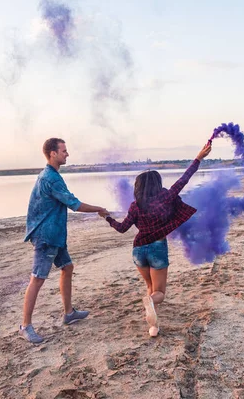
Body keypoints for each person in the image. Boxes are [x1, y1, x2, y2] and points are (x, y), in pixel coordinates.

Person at [101, 143, 212, 336]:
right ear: (157, 185)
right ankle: (151, 304)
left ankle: (153, 325)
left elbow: (122, 228)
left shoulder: (135, 206)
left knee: (150, 287)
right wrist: (199, 158)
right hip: (157, 249)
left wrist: (107, 217)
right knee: (159, 293)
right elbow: (184, 179)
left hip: (138, 251)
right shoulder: (166, 197)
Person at [19, 138, 109, 343]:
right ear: (52, 153)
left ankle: (69, 313)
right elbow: (74, 204)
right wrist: (99, 209)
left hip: (56, 234)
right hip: (47, 235)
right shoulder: (51, 178)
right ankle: (25, 326)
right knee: (37, 278)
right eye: (64, 151)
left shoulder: (51, 175)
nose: (67, 154)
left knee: (67, 267)